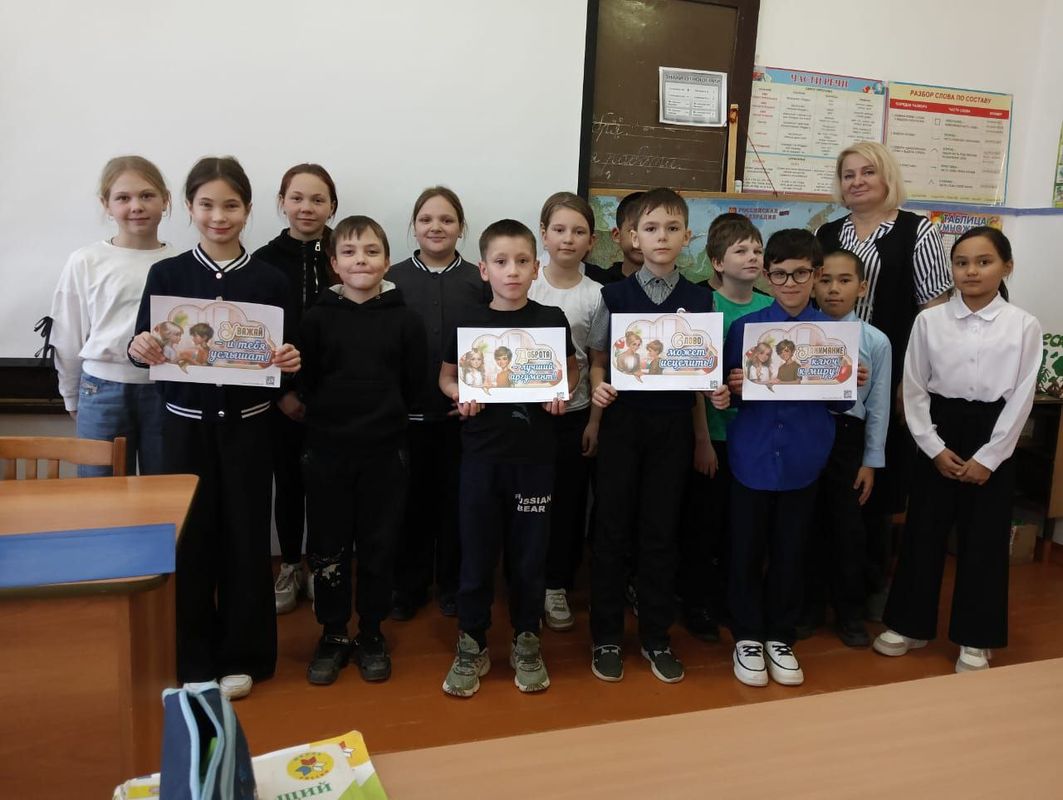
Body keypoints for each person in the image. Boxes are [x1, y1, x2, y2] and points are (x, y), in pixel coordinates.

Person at [128, 156, 301, 700]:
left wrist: (291, 360)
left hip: (249, 430)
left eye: (230, 205)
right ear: (189, 207)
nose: (218, 216)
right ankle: (193, 655)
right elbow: (142, 347)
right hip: (183, 431)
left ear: (247, 209)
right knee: (190, 542)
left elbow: (289, 359)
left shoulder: (270, 278)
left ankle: (244, 655)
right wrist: (141, 346)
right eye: (206, 205)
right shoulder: (168, 275)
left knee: (246, 541)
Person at [873, 227, 1041, 673]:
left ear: (1006, 267)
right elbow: (914, 388)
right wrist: (932, 446)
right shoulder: (930, 321)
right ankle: (908, 625)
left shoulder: (1023, 325)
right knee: (923, 531)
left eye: (984, 262)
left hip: (993, 432)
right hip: (939, 429)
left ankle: (976, 637)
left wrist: (989, 457)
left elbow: (1022, 398)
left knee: (984, 539)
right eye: (962, 262)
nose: (971, 271)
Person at [586, 188, 728, 685]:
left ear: (687, 236)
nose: (661, 237)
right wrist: (597, 398)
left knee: (661, 532)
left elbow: (701, 374)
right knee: (611, 531)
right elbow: (598, 360)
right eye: (650, 228)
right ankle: (606, 636)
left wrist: (711, 406)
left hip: (672, 429)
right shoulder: (614, 296)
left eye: (671, 228)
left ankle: (655, 636)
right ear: (632, 237)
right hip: (623, 425)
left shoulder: (701, 299)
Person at [438, 219, 578, 697]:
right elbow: (446, 376)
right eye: (501, 262)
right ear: (484, 269)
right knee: (477, 553)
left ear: (536, 268)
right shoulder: (467, 322)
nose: (512, 271)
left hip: (535, 459)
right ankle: (472, 641)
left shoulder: (551, 320)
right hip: (481, 457)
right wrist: (458, 394)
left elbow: (571, 371)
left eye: (522, 261)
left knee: (529, 555)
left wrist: (563, 392)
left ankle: (526, 638)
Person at [816, 142, 952, 618]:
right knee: (827, 479)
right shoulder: (829, 232)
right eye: (848, 174)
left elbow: (933, 315)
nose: (857, 181)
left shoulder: (917, 231)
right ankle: (822, 589)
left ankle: (870, 587)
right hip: (827, 375)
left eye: (867, 172)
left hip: (889, 371)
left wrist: (908, 383)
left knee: (877, 481)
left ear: (887, 176)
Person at [298, 215, 427, 686]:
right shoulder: (315, 318)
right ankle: (333, 632)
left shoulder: (406, 319)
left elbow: (414, 384)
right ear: (334, 263)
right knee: (328, 546)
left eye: (372, 251)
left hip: (385, 452)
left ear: (387, 261)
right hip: (327, 451)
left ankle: (371, 630)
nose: (361, 261)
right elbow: (306, 381)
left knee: (379, 544)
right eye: (349, 252)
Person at [723, 229, 853, 688]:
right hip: (752, 454)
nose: (790, 283)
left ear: (816, 275)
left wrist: (850, 381)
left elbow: (839, 404)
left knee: (791, 550)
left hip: (804, 457)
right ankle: (746, 636)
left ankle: (780, 635)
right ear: (767, 275)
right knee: (744, 548)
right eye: (779, 274)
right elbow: (728, 394)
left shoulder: (834, 335)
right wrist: (732, 388)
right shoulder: (746, 328)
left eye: (800, 273)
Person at [388, 186, 489, 620]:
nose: (436, 227)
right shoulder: (390, 279)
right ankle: (408, 587)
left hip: (462, 417)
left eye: (447, 220)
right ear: (413, 226)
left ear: (461, 228)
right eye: (426, 219)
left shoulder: (479, 280)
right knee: (408, 506)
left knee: (456, 506)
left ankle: (451, 584)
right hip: (404, 417)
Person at [50, 156, 177, 476]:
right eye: (123, 198)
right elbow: (67, 336)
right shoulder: (86, 261)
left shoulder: (180, 263)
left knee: (163, 490)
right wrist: (70, 395)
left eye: (147, 195)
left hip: (165, 392)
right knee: (100, 492)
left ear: (165, 200)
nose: (136, 206)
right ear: (106, 204)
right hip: (101, 390)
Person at [678, 215, 772, 642]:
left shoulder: (769, 307)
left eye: (757, 250)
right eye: (741, 250)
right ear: (717, 262)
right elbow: (695, 377)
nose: (752, 257)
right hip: (713, 435)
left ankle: (734, 603)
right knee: (705, 526)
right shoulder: (704, 305)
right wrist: (702, 439)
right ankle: (697, 602)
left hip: (754, 439)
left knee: (743, 530)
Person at [254, 164, 339, 616]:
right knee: (287, 484)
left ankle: (323, 566)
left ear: (332, 206)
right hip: (279, 399)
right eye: (297, 198)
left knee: (328, 486)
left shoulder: (345, 253)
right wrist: (282, 394)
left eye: (318, 199)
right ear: (282, 202)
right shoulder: (263, 261)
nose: (307, 208)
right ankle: (289, 563)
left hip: (335, 400)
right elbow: (253, 338)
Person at [800, 249, 891, 647]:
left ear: (862, 287)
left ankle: (850, 613)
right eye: (825, 280)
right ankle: (808, 608)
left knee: (848, 529)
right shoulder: (799, 333)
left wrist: (871, 460)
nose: (833, 289)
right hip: (807, 430)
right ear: (813, 284)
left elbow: (879, 405)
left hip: (849, 439)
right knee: (807, 524)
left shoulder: (875, 341)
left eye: (844, 280)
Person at [528, 191, 604, 632]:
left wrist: (594, 420)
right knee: (526, 501)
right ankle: (525, 582)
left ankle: (556, 584)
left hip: (574, 414)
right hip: (525, 416)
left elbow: (596, 362)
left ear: (591, 241)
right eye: (558, 229)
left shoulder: (596, 295)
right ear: (543, 234)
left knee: (568, 504)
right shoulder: (524, 281)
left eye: (578, 232)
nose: (568, 239)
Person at [584, 191, 644, 285]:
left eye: (650, 230)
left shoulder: (668, 287)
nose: (640, 240)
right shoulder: (598, 283)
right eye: (633, 231)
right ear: (617, 235)